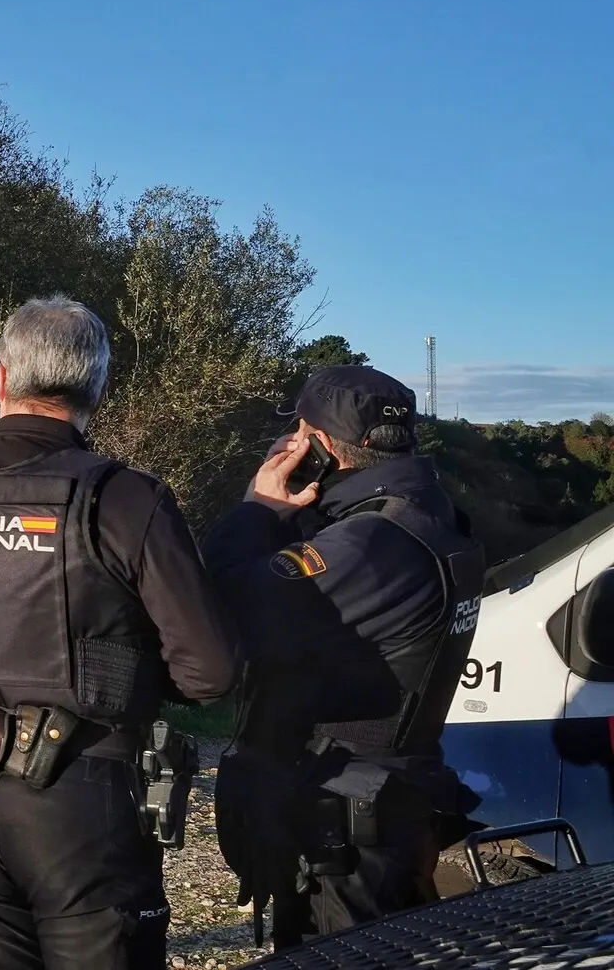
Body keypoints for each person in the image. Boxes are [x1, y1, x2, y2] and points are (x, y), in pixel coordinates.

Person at [0, 296, 239, 970]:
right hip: (83, 785)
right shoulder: (125, 498)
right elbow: (210, 671)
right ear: (96, 389)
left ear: (0, 380)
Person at [203, 365, 484, 948]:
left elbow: (223, 606)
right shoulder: (426, 515)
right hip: (386, 802)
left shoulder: (368, 543)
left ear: (322, 448)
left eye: (300, 435)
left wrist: (258, 509)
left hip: (347, 826)